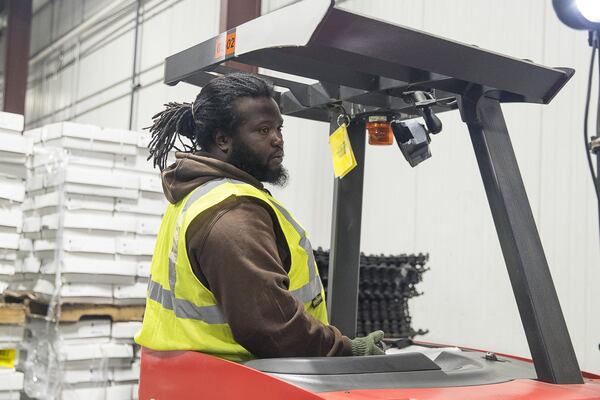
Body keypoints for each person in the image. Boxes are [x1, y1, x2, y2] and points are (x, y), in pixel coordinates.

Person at [135, 72, 384, 361]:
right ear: (223, 139)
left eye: (279, 128)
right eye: (263, 130)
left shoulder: (199, 194)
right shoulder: (231, 212)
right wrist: (348, 350)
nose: (278, 140)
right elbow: (273, 328)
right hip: (232, 384)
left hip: (190, 379)